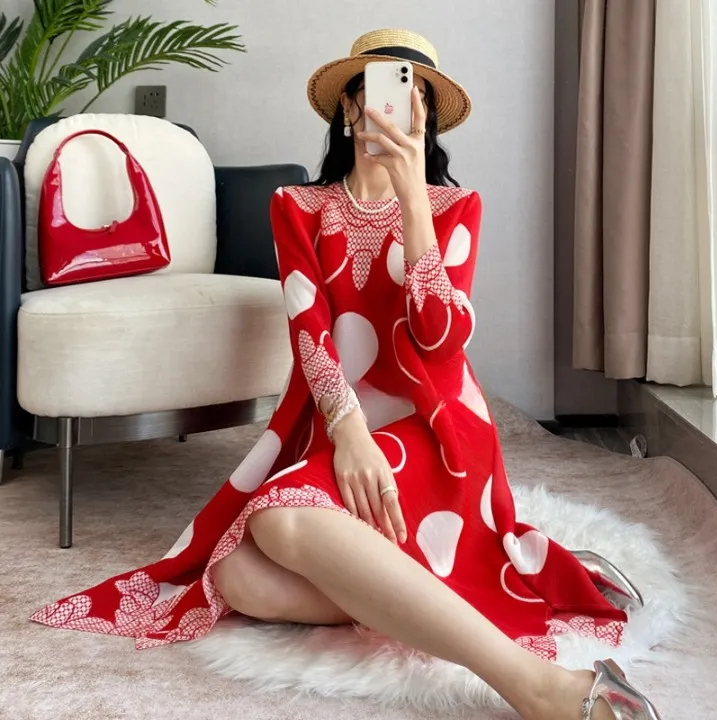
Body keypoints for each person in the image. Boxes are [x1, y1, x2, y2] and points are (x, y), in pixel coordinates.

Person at [31, 29, 661, 720]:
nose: (394, 107)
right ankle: (471, 569)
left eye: (415, 98)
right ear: (350, 108)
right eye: (378, 91)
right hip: (341, 426)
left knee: (280, 523)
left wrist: (413, 198)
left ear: (427, 118)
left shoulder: (456, 209)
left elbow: (441, 342)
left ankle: (537, 684)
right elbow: (309, 331)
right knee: (239, 577)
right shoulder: (297, 206)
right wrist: (349, 431)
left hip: (436, 430)